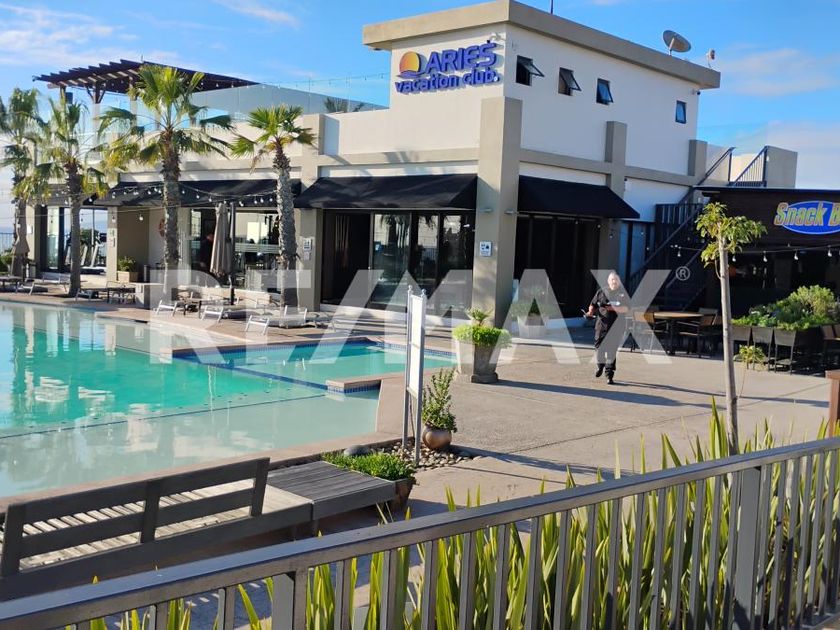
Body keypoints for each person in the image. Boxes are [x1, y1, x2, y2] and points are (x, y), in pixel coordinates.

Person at [586, 271, 628, 384]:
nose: (614, 281)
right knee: (598, 348)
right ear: (608, 281)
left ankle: (609, 375)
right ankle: (600, 365)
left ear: (619, 281)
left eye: (616, 280)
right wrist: (590, 312)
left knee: (612, 351)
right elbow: (593, 304)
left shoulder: (623, 294)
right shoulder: (601, 292)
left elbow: (626, 308)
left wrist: (613, 308)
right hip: (601, 326)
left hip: (617, 327)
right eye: (612, 279)